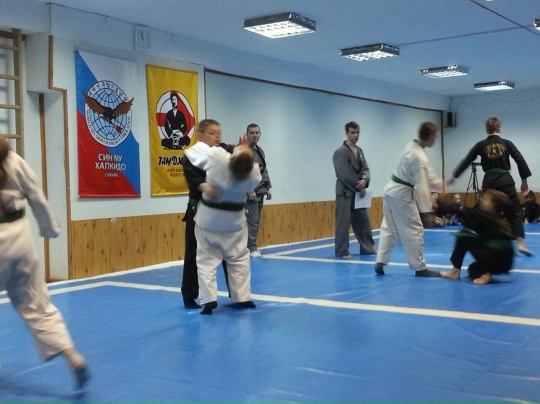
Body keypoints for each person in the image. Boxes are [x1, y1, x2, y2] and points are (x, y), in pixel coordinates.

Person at [0, 137, 89, 389]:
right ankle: (72, 356)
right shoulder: (15, 161)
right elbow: (37, 198)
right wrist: (50, 229)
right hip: (20, 240)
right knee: (36, 304)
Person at [184, 127, 261, 315]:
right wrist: (242, 150)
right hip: (234, 223)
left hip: (209, 219)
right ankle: (241, 297)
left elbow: (192, 153)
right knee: (239, 259)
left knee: (206, 261)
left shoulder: (218, 158)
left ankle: (209, 299)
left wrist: (237, 149)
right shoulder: (253, 174)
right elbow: (243, 162)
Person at [446, 116, 533, 256]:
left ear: (486, 129)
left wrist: (453, 178)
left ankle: (488, 241)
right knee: (515, 212)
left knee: (489, 214)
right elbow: (519, 159)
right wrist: (524, 180)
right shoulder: (507, 143)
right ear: (500, 128)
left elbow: (467, 161)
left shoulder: (481, 145)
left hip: (490, 182)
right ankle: (521, 244)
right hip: (505, 180)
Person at [374, 122, 443, 277]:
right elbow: (422, 187)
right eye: (435, 137)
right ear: (430, 137)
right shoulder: (419, 157)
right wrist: (428, 211)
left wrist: (439, 184)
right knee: (415, 229)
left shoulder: (412, 146)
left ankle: (380, 261)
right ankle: (420, 268)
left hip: (390, 190)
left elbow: (427, 174)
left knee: (389, 228)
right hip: (401, 194)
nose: (435, 140)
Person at [180, 120, 233, 309]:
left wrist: (244, 148)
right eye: (212, 133)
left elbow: (237, 153)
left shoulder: (223, 152)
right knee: (194, 254)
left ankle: (238, 295)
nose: (217, 136)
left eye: (218, 132)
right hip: (198, 211)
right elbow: (194, 181)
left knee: (231, 253)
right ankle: (189, 296)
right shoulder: (191, 156)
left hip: (221, 213)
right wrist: (205, 187)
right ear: (200, 136)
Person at [437, 189, 514, 285]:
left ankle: (455, 272)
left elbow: (459, 209)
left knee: (464, 235)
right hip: (506, 264)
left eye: (486, 199)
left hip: (494, 262)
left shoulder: (483, 216)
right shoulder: (499, 218)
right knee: (473, 269)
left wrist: (437, 200)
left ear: (492, 205)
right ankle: (486, 272)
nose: (482, 200)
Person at [332, 121, 376, 258]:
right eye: (352, 132)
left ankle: (367, 247)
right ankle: (342, 250)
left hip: (358, 193)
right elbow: (344, 174)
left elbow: (365, 169)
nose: (355, 135)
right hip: (345, 192)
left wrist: (365, 180)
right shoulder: (340, 152)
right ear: (347, 133)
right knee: (343, 223)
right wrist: (359, 186)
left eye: (357, 132)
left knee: (363, 221)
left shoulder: (360, 151)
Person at [245, 124, 272, 258]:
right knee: (252, 221)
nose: (254, 135)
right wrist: (249, 190)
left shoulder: (259, 150)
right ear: (247, 135)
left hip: (260, 190)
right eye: (252, 133)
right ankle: (250, 247)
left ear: (260, 134)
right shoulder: (244, 151)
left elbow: (263, 171)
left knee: (256, 220)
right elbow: (242, 172)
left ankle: (250, 246)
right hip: (250, 192)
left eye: (257, 132)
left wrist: (267, 188)